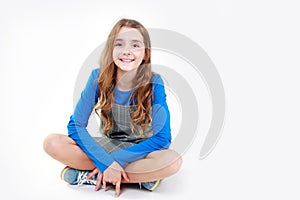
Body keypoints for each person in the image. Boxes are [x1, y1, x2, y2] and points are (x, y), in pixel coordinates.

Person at [43, 18, 182, 197]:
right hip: (108, 146)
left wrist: (112, 162)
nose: (126, 51)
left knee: (173, 161)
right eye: (119, 44)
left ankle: (92, 175)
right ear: (111, 49)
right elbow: (75, 126)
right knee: (52, 142)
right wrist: (105, 161)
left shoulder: (154, 82)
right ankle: (140, 178)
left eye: (135, 45)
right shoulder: (97, 77)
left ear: (146, 53)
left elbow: (162, 139)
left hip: (140, 151)